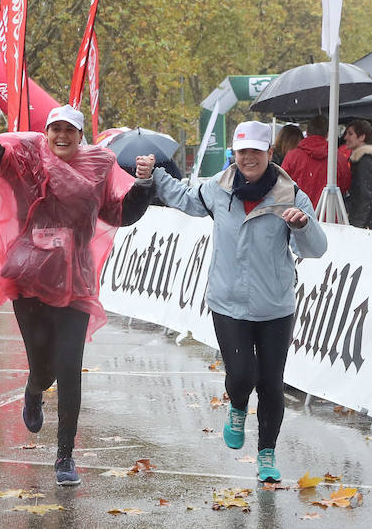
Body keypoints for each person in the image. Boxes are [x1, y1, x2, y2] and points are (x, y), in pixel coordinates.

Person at [0, 65, 154, 487]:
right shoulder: (27, 160)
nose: (62, 136)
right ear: (46, 133)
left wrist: (144, 186)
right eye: (55, 129)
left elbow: (119, 213)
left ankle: (65, 456)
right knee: (43, 367)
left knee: (69, 367)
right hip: (29, 277)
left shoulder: (98, 167)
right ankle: (33, 387)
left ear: (80, 136)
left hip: (75, 281)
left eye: (70, 131)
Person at [148, 120, 327, 483]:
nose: (248, 158)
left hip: (275, 305)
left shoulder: (291, 195)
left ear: (269, 153)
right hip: (227, 301)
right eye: (242, 151)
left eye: (256, 152)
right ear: (234, 153)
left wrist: (302, 226)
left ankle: (266, 455)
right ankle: (238, 405)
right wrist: (154, 175)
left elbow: (316, 249)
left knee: (272, 383)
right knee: (242, 375)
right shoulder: (217, 188)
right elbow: (185, 198)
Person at [281, 115, 351, 209]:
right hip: (328, 215)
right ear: (327, 134)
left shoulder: (292, 156)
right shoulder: (338, 158)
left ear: (307, 132)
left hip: (299, 214)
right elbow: (344, 186)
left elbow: (282, 185)